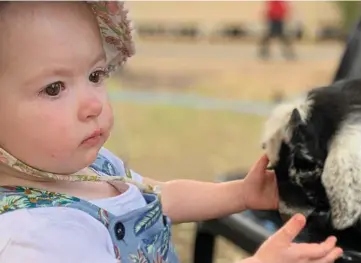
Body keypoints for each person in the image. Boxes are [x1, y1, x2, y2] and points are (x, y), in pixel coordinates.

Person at [0, 2, 343, 263]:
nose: (93, 103)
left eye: (95, 75)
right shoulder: (36, 238)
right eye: (54, 88)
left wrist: (239, 194)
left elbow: (158, 199)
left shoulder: (90, 166)